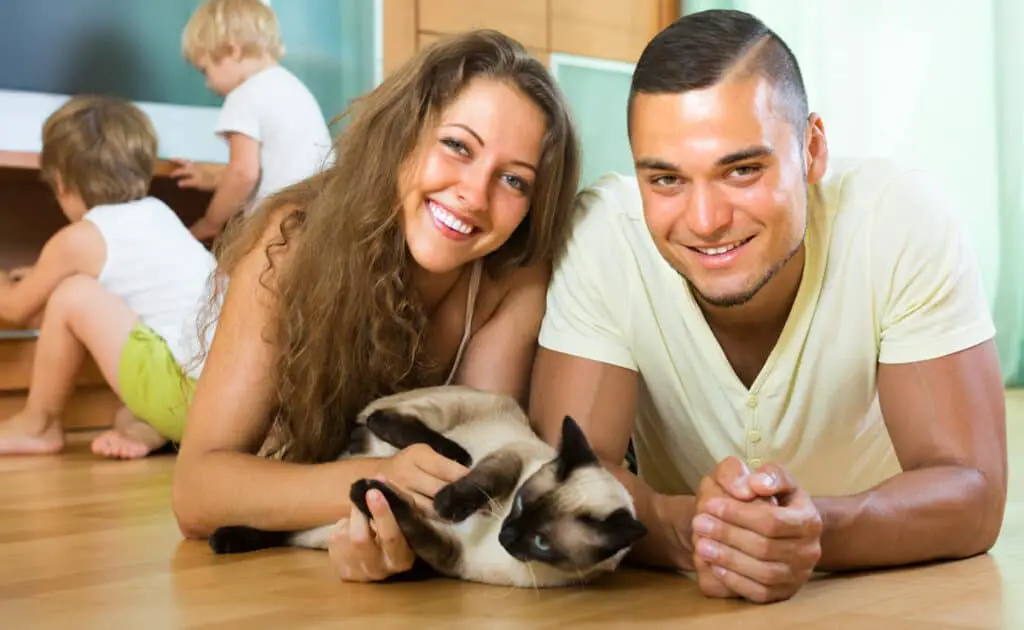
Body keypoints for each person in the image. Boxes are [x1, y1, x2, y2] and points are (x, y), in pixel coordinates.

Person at [528, 9, 1008, 604]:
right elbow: (567, 476)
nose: (705, 222)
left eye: (742, 170)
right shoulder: (604, 233)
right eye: (666, 180)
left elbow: (975, 493)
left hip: (887, 601)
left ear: (812, 150)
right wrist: (695, 534)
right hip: (685, 604)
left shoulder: (901, 220)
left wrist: (814, 532)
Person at [169, 29, 581, 583]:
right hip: (204, 398)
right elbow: (197, 493)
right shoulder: (290, 242)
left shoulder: (512, 277)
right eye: (457, 146)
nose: (475, 196)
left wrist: (397, 525)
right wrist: (377, 480)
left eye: (513, 179)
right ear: (402, 135)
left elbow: (465, 489)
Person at [0, 96, 216, 458]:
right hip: (221, 406)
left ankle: (38, 425)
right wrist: (39, 275)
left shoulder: (79, 239)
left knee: (71, 294)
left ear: (60, 183)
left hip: (189, 400)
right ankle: (152, 430)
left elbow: (15, 309)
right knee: (125, 414)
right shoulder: (159, 214)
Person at [171, 0, 333, 242]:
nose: (208, 83)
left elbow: (243, 173)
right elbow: (273, 164)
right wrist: (212, 178)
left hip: (279, 224)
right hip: (319, 215)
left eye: (206, 70)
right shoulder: (291, 86)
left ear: (233, 50)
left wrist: (210, 222)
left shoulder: (243, 95)